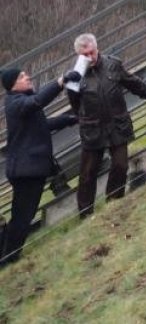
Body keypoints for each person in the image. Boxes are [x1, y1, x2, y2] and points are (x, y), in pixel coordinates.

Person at [66, 34, 146, 217]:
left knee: (120, 165)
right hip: (92, 129)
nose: (90, 57)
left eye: (91, 52)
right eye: (84, 54)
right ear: (78, 55)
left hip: (118, 124)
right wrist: (86, 117)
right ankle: (86, 213)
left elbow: (132, 83)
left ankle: (114, 203)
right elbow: (74, 103)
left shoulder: (113, 64)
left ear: (97, 48)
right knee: (87, 174)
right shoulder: (74, 76)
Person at [1, 67, 77, 266]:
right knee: (22, 217)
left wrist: (68, 120)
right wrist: (60, 82)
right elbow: (37, 102)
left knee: (21, 214)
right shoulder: (16, 103)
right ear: (12, 85)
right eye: (22, 76)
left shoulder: (21, 102)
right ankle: (9, 258)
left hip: (28, 168)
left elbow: (42, 124)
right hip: (26, 170)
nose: (28, 77)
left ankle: (7, 253)